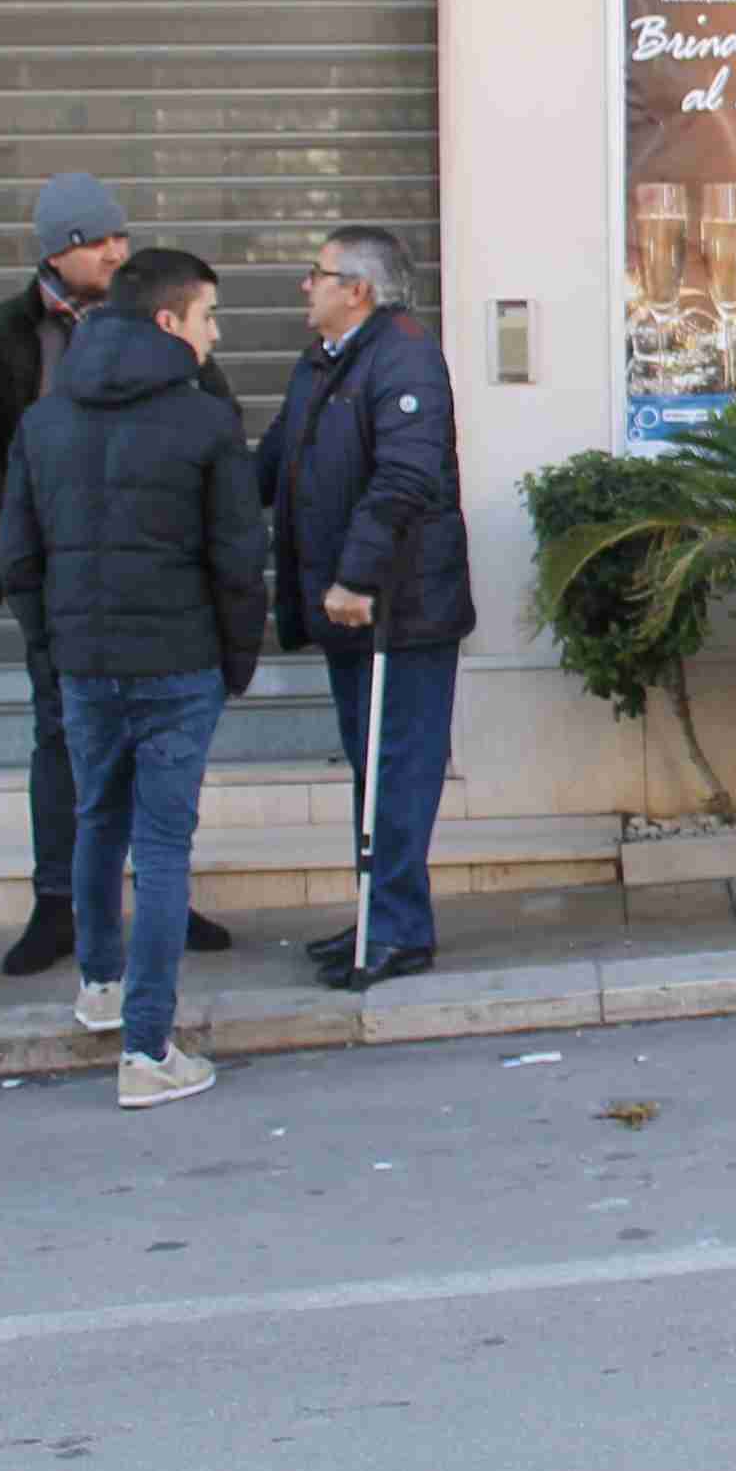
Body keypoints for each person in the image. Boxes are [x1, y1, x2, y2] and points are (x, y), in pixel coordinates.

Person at [0, 248, 264, 1111]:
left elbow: (17, 558)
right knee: (161, 850)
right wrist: (236, 658)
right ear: (168, 322)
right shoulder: (205, 423)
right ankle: (148, 1051)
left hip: (85, 665)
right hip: (177, 664)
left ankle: (100, 989)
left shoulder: (44, 422)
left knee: (96, 821)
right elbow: (236, 557)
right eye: (208, 317)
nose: (215, 334)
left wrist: (50, 650)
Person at [0, 171, 236, 975]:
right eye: (98, 240)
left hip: (155, 583)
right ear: (58, 249)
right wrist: (17, 550)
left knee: (154, 759)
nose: (117, 251)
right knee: (60, 738)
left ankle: (160, 904)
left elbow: (212, 424)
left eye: (120, 237)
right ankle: (60, 907)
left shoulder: (161, 322)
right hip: (55, 578)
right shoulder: (0, 336)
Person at [261, 225, 474, 989]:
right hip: (347, 611)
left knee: (398, 769)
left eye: (316, 274)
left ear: (358, 289)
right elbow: (280, 462)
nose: (304, 287)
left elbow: (406, 478)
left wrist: (355, 578)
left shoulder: (404, 355)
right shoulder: (326, 361)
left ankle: (399, 931)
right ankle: (377, 913)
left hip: (398, 610)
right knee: (370, 768)